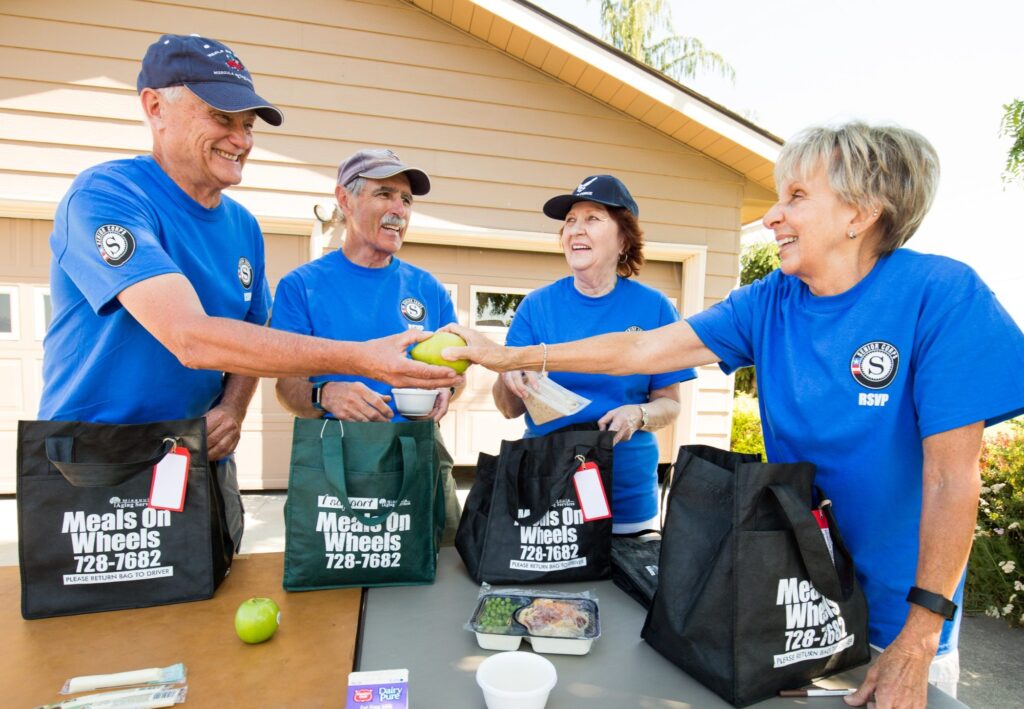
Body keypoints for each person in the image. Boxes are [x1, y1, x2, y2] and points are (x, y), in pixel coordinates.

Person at [444, 122, 1024, 708]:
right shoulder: (768, 299)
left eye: (796, 197)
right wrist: (506, 356)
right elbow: (642, 349)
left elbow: (952, 478)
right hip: (799, 596)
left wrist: (921, 635)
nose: (772, 216)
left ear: (862, 213)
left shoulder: (943, 295)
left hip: (901, 616)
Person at [39, 34, 461, 554]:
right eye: (222, 117)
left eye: (248, 125)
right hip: (99, 457)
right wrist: (358, 363)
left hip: (201, 455)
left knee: (213, 614)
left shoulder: (243, 227)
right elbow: (191, 339)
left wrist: (234, 409)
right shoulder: (107, 196)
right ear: (155, 108)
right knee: (106, 630)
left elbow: (251, 332)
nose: (240, 139)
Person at [271, 148, 462, 542]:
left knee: (440, 567)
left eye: (406, 200)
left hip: (418, 453)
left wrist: (449, 390)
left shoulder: (429, 288)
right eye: (385, 194)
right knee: (338, 580)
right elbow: (287, 389)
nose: (399, 209)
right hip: (338, 461)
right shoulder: (301, 286)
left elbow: (458, 374)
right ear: (345, 199)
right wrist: (326, 393)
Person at [492, 175, 695, 533]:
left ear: (623, 239)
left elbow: (670, 404)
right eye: (570, 221)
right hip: (546, 488)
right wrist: (510, 378)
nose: (575, 230)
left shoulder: (655, 309)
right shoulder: (536, 307)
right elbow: (509, 409)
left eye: (592, 218)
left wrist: (640, 413)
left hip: (626, 495)